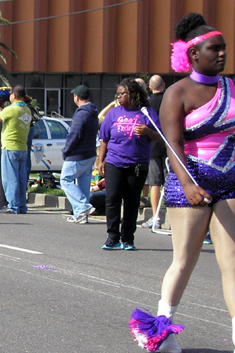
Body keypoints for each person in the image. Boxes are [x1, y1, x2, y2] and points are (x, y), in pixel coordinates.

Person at [131, 13, 235, 353]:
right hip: (188, 181)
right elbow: (172, 144)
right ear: (193, 54)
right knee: (184, 261)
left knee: (233, 261)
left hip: (230, 182)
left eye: (224, 48)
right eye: (214, 48)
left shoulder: (232, 88)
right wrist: (189, 185)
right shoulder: (177, 93)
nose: (222, 54)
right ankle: (163, 331)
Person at [97, 78, 161, 250]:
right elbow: (104, 139)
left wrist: (147, 131)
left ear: (134, 94)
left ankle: (128, 238)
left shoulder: (146, 113)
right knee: (112, 199)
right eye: (117, 93)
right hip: (114, 162)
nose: (118, 96)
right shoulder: (113, 113)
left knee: (132, 201)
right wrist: (100, 161)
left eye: (122, 93)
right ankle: (112, 236)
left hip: (137, 164)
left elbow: (158, 136)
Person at [0, 86, 32, 214]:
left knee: (10, 177)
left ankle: (13, 205)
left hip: (10, 147)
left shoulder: (11, 109)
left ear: (13, 95)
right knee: (21, 178)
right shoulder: (27, 110)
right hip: (22, 147)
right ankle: (22, 205)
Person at [60, 85, 99, 223]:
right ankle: (81, 216)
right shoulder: (93, 113)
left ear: (76, 97)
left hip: (77, 154)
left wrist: (66, 151)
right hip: (89, 153)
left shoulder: (81, 114)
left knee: (65, 180)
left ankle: (83, 207)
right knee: (83, 184)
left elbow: (74, 135)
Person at [141, 75, 167, 228]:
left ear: (150, 88)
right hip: (170, 144)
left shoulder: (148, 104)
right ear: (164, 85)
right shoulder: (170, 100)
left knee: (155, 183)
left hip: (153, 146)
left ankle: (156, 217)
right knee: (170, 181)